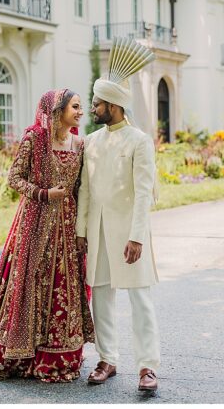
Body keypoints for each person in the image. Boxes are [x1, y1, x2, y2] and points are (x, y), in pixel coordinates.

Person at [0, 89, 95, 383]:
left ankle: (56, 355)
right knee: (28, 282)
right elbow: (14, 178)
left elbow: (81, 188)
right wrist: (43, 193)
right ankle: (21, 353)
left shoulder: (80, 144)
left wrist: (83, 228)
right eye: (75, 107)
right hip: (34, 222)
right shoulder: (35, 139)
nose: (80, 112)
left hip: (67, 226)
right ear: (58, 110)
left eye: (81, 108)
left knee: (63, 287)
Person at [76, 37, 161, 392]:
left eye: (96, 103)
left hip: (129, 235)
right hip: (96, 233)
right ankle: (107, 359)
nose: (92, 108)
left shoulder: (139, 141)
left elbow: (144, 193)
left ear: (113, 105)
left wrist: (138, 235)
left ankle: (147, 367)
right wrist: (81, 231)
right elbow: (85, 190)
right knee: (102, 298)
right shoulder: (91, 142)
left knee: (140, 299)